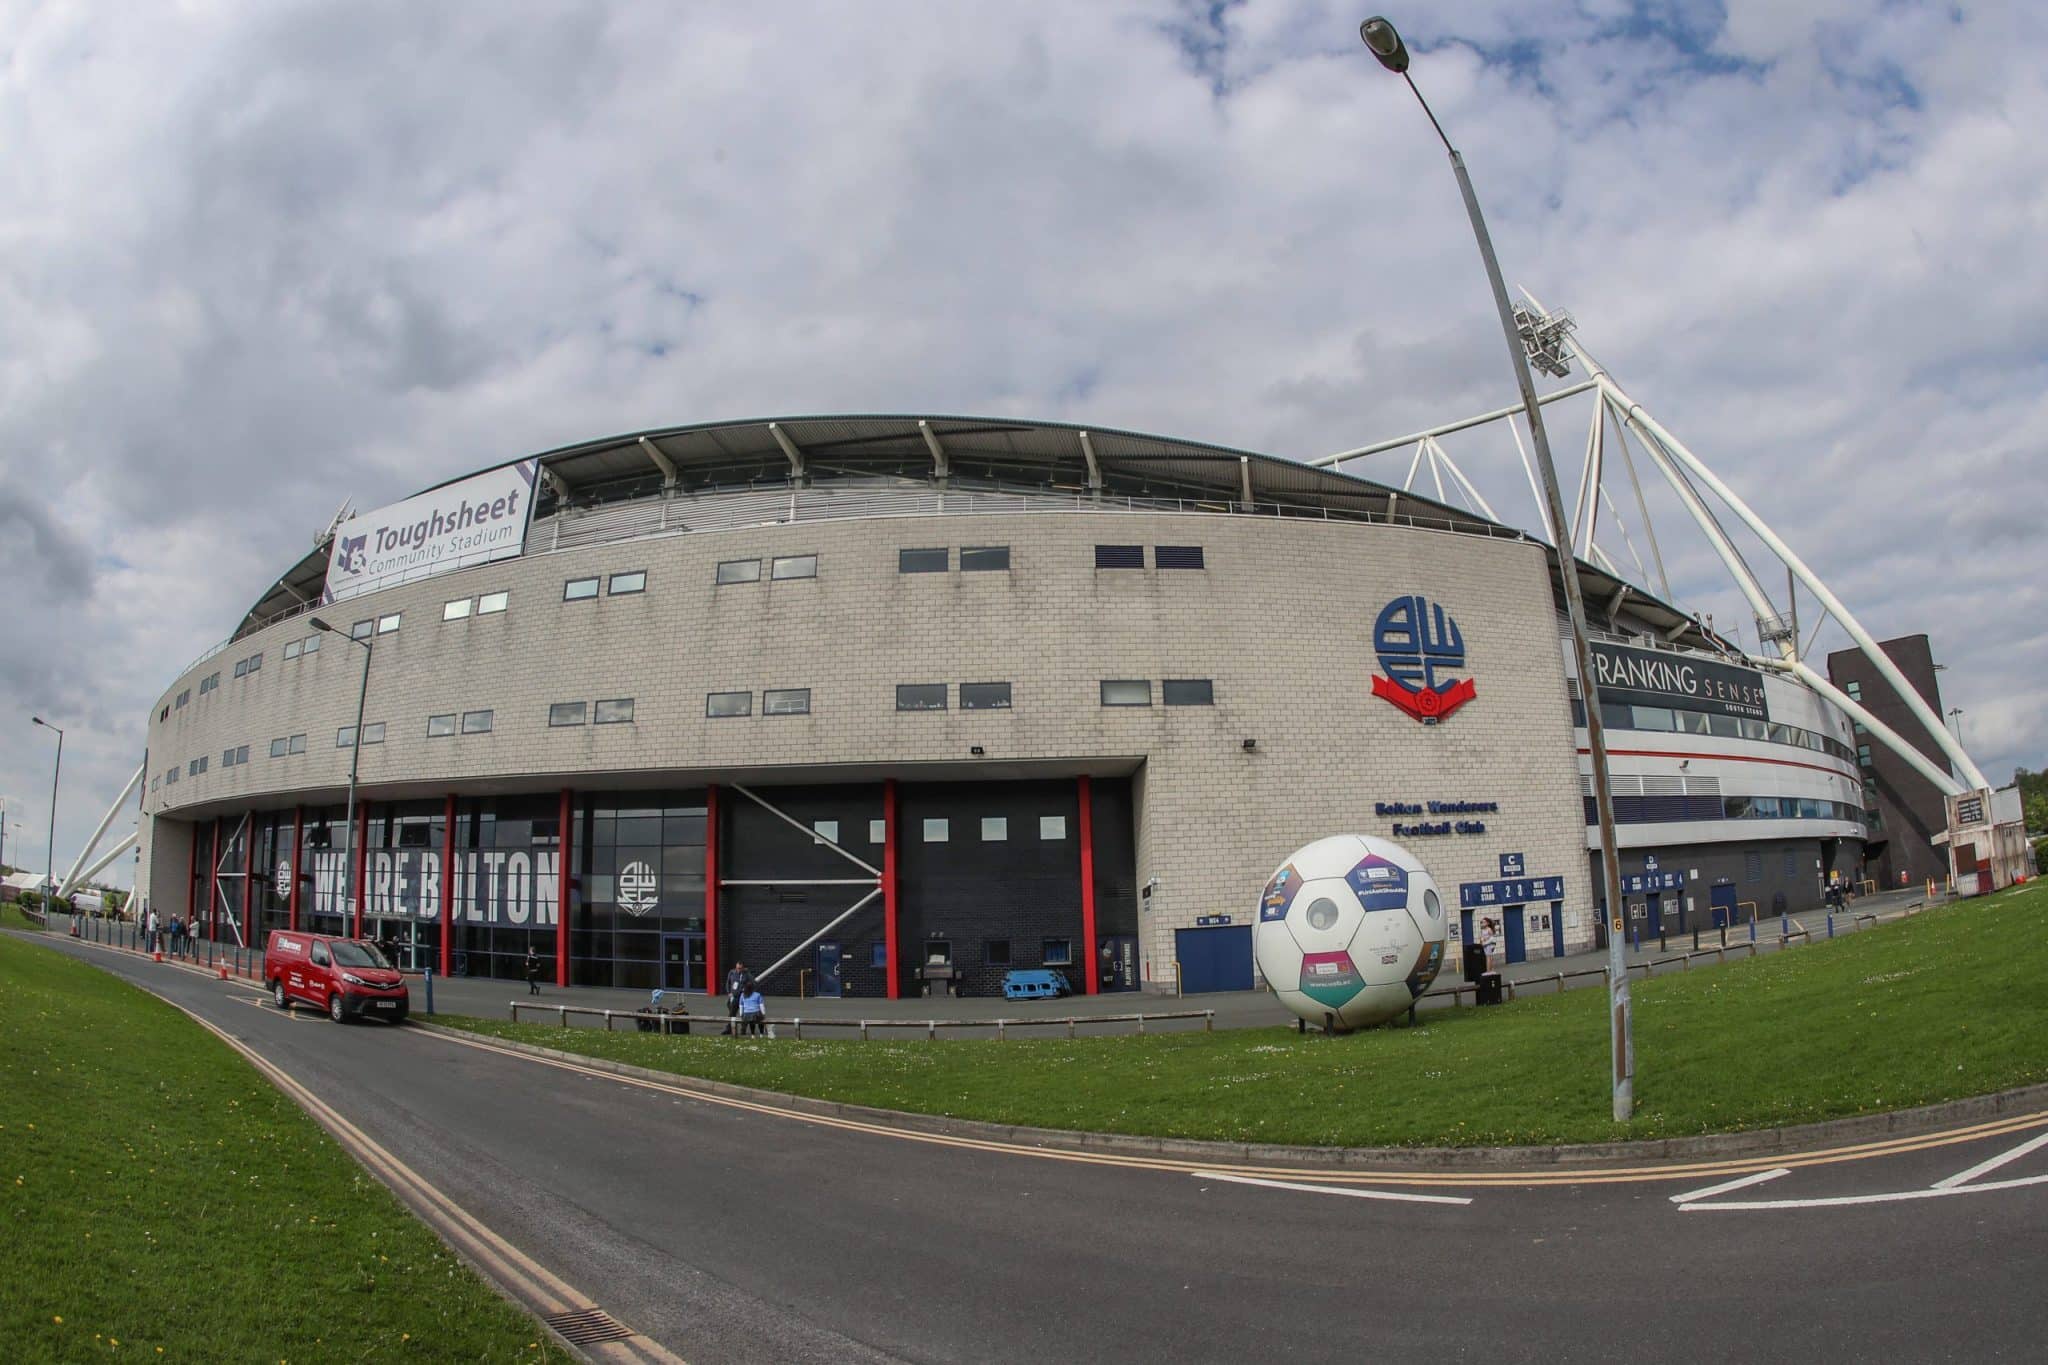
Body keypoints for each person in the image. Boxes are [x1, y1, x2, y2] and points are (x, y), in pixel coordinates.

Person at [724, 961, 748, 1035]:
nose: (738, 970)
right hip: (733, 997)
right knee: (732, 1013)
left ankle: (743, 1030)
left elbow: (752, 984)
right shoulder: (731, 972)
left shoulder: (747, 975)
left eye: (740, 968)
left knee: (743, 1014)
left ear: (743, 968)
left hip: (742, 997)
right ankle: (729, 1029)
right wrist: (729, 993)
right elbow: (728, 983)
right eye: (737, 968)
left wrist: (745, 991)